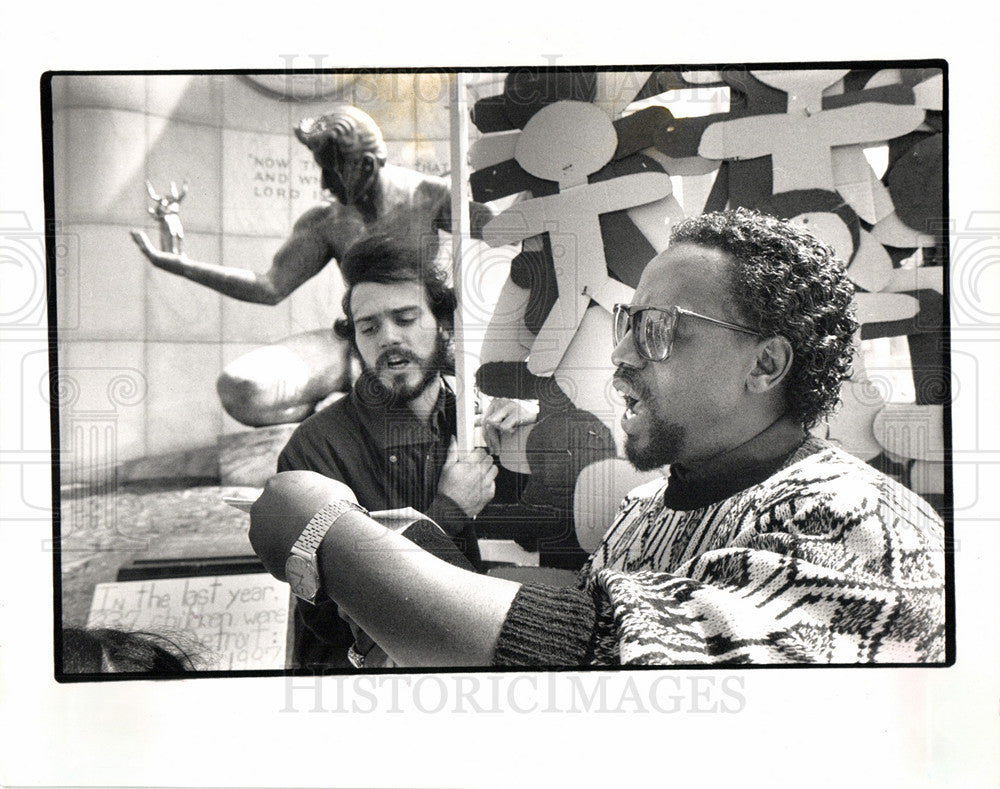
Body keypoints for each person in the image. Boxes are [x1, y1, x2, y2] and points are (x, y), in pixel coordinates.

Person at [249, 209, 946, 666]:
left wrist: (326, 531)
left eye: (657, 328)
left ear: (765, 362)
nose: (619, 355)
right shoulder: (647, 510)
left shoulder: (869, 528)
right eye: (625, 322)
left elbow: (617, 660)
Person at [130, 105, 493, 426]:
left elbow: (505, 233)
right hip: (356, 343)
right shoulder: (327, 221)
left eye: (332, 172)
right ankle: (340, 411)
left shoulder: (432, 197)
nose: (323, 183)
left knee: (487, 394)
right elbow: (269, 287)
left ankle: (381, 396)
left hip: (428, 342)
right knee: (242, 389)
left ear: (364, 165)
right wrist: (183, 266)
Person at [276, 234, 499, 667]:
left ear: (445, 325)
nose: (388, 338)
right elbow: (330, 616)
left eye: (405, 318)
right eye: (370, 327)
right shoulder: (313, 452)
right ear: (355, 339)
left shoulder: (479, 422)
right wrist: (446, 514)